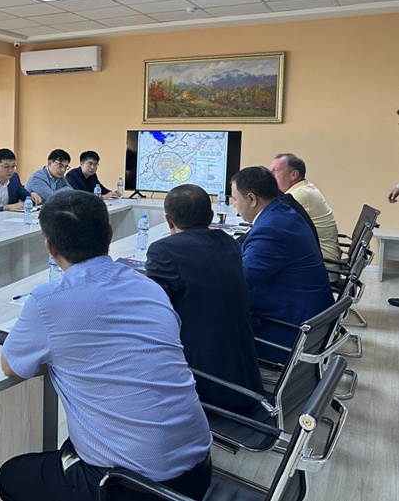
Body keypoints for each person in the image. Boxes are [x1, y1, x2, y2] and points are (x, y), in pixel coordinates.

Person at [0, 191, 212, 501]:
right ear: (110, 234)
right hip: (198, 470)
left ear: (50, 247)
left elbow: (11, 367)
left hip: (132, 487)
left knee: (11, 475)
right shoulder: (149, 287)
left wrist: (63, 355)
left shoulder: (47, 301)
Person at [145, 185, 263, 411]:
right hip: (245, 378)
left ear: (169, 221)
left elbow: (155, 315)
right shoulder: (228, 242)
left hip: (204, 386)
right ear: (210, 216)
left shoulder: (163, 250)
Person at [230, 166, 333, 361]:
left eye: (235, 199)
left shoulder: (272, 229)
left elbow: (238, 282)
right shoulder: (281, 213)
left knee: (205, 319)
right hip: (305, 318)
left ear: (252, 199)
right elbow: (246, 249)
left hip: (287, 331)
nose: (234, 205)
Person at [270, 153, 341, 264]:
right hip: (318, 257)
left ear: (294, 175)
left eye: (276, 170)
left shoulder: (299, 195)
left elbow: (271, 221)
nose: (270, 175)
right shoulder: (304, 188)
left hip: (323, 264)